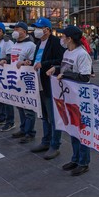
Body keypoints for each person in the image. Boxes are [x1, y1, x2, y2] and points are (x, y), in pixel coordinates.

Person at [46, 25, 92, 176]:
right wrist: (56, 68)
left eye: (63, 36)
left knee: (81, 130)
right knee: (72, 128)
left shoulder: (82, 54)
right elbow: (66, 68)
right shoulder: (67, 52)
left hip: (79, 98)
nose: (61, 39)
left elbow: (85, 77)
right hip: (68, 97)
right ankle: (75, 158)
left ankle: (83, 162)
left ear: (70, 38)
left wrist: (65, 76)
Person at [29, 17, 65, 160]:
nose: (37, 30)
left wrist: (43, 64)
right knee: (44, 116)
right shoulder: (38, 43)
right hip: (39, 83)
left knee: (53, 117)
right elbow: (36, 60)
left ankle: (55, 145)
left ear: (47, 29)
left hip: (50, 85)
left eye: (39, 27)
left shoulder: (55, 42)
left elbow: (61, 61)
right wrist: (29, 62)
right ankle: (46, 141)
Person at [5, 22, 37, 135]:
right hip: (15, 79)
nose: (15, 32)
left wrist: (25, 63)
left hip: (25, 79)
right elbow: (13, 59)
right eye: (14, 29)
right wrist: (5, 60)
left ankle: (29, 132)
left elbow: (32, 62)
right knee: (20, 106)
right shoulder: (15, 44)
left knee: (28, 108)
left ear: (24, 31)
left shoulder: (31, 45)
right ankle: (23, 129)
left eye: (17, 29)